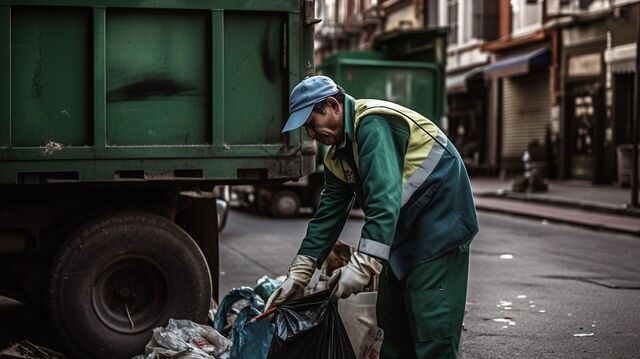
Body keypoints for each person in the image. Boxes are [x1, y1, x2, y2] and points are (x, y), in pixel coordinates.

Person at [265, 75, 479, 358]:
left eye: (311, 124)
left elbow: (383, 199)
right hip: (402, 233)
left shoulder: (373, 124)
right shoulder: (337, 155)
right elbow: (327, 216)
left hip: (439, 229)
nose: (311, 135)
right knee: (392, 327)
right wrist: (299, 275)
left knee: (432, 334)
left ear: (332, 105)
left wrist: (363, 264)